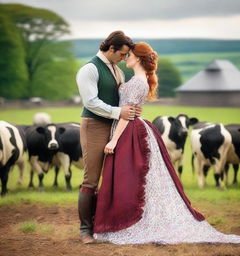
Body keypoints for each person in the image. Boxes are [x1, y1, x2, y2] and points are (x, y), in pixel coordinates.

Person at [93, 42, 240, 244]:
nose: (127, 57)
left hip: (129, 131)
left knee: (128, 179)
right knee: (134, 179)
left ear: (138, 58)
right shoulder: (138, 80)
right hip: (135, 128)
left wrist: (114, 141)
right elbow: (130, 110)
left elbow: (127, 115)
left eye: (130, 55)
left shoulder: (137, 82)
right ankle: (126, 218)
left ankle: (128, 221)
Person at [76, 31, 142, 244]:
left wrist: (131, 111)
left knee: (113, 177)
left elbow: (121, 100)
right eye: (122, 54)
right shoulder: (89, 69)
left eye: (126, 56)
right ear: (111, 48)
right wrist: (118, 112)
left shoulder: (116, 70)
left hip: (114, 127)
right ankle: (86, 230)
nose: (124, 59)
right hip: (94, 126)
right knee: (92, 178)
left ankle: (101, 225)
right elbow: (90, 102)